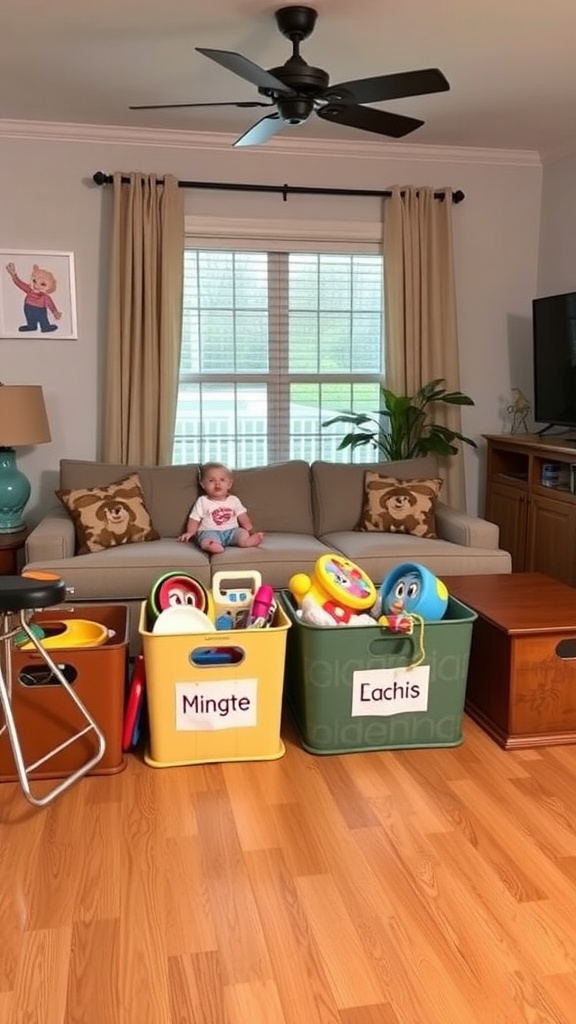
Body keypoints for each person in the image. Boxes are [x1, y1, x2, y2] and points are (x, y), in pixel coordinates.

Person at [178, 462, 264, 554]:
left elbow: (242, 517)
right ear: (203, 484)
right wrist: (190, 533)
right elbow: (194, 519)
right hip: (210, 531)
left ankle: (246, 542)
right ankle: (211, 545)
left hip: (232, 531)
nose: (217, 484)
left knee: (242, 533)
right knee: (205, 539)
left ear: (229, 484)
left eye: (222, 480)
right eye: (211, 481)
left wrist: (249, 529)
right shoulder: (202, 501)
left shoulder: (233, 500)